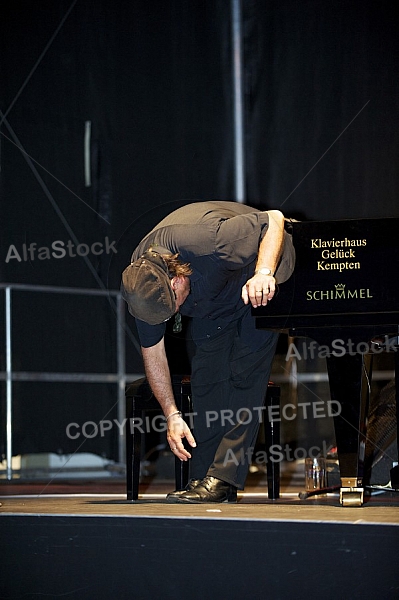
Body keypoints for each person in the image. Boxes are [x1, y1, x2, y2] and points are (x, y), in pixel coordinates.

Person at [121, 200, 295, 503]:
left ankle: (224, 478)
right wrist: (171, 414)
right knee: (207, 378)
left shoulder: (207, 242)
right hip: (217, 301)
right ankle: (202, 478)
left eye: (172, 309)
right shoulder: (141, 285)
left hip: (262, 272)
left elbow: (274, 220)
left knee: (243, 375)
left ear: (177, 282)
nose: (172, 316)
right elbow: (152, 352)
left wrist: (264, 272)